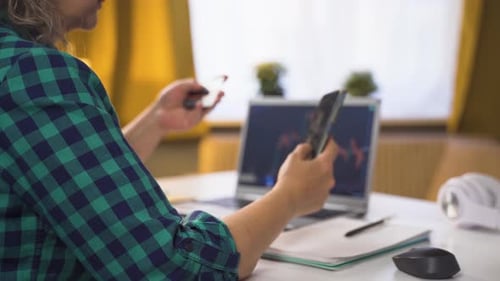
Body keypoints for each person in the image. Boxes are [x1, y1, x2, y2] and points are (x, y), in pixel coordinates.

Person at [0, 0, 338, 280]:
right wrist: (289, 197)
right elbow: (172, 267)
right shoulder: (31, 74)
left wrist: (155, 122)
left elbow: (62, 183)